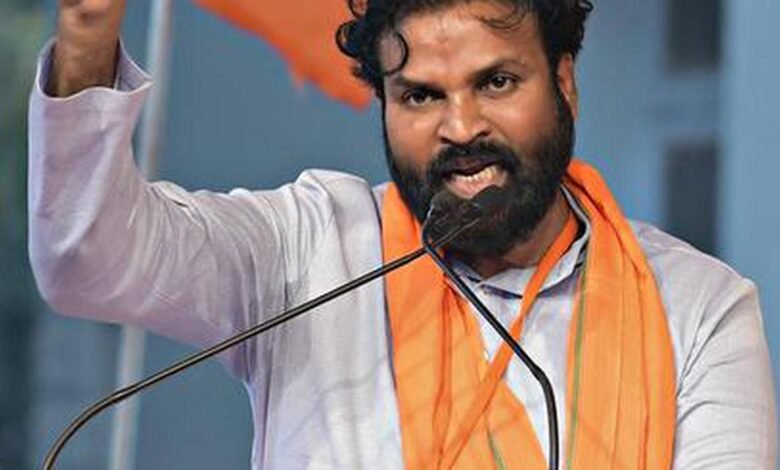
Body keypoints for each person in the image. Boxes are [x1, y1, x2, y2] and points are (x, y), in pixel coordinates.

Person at [29, 0, 777, 468]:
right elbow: (85, 257)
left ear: (565, 80)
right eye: (421, 96)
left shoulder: (697, 308)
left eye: (496, 82)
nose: (461, 128)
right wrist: (89, 36)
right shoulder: (310, 254)